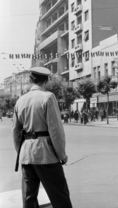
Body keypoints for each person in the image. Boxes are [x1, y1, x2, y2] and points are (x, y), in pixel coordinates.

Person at [12, 67, 72, 208]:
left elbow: (15, 131)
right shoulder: (48, 97)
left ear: (30, 80)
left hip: (26, 156)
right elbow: (56, 130)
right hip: (46, 155)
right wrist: (62, 155)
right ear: (47, 80)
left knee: (29, 199)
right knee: (60, 196)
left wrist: (21, 153)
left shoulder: (20, 100)